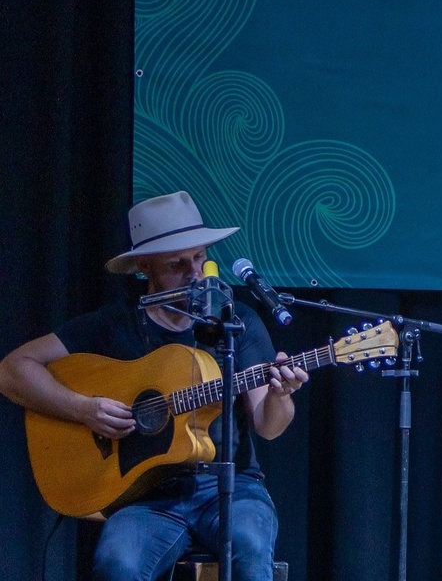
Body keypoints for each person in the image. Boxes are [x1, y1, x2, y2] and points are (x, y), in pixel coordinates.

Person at [0, 191, 306, 581]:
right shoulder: (113, 325)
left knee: (249, 546)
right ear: (144, 268)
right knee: (118, 564)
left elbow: (269, 425)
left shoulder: (236, 322)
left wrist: (281, 394)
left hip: (230, 487)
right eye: (177, 264)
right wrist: (82, 409)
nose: (194, 273)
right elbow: (12, 370)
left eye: (199, 258)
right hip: (145, 495)